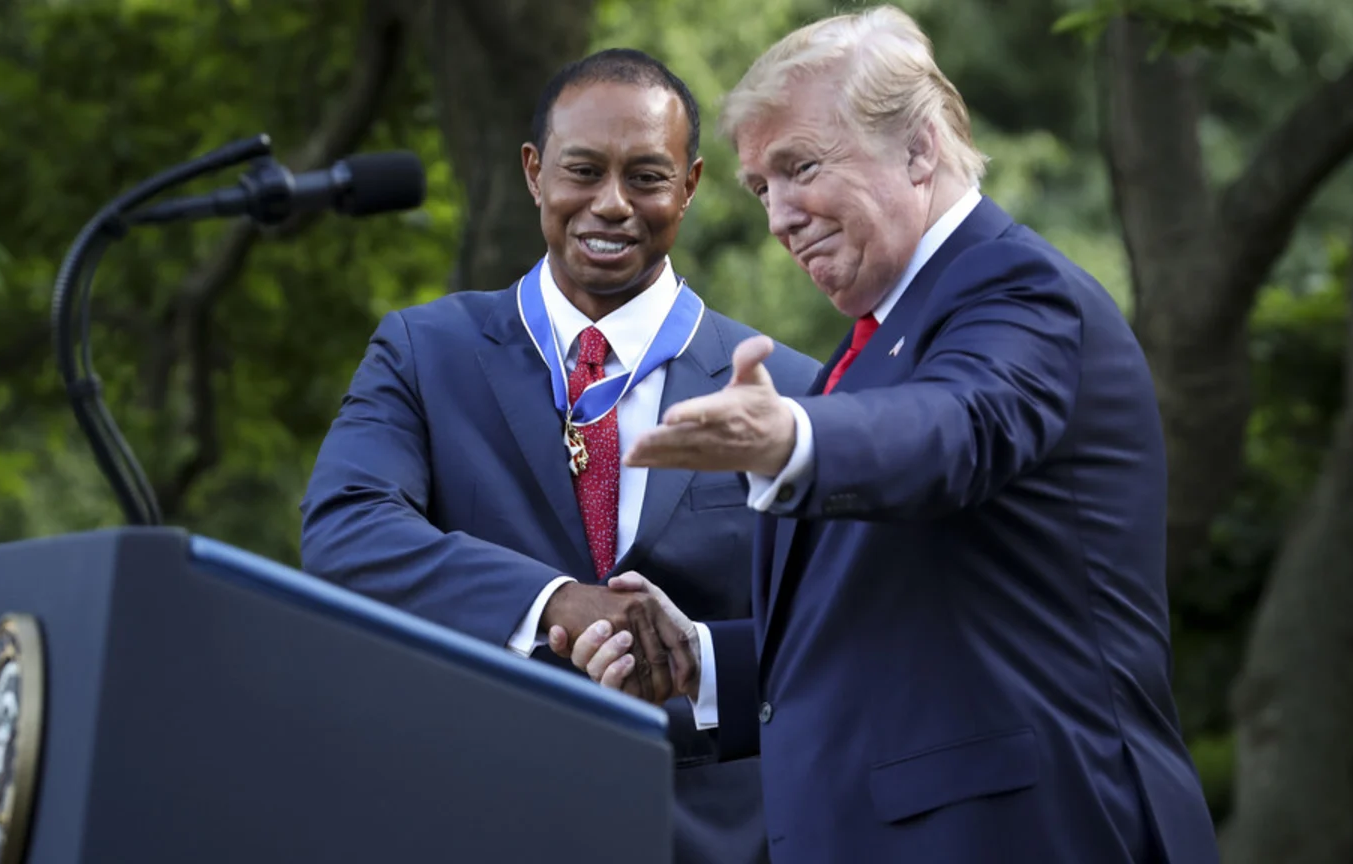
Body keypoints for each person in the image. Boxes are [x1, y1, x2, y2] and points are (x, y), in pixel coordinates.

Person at [557, 9, 1220, 864]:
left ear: (918, 149)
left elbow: (955, 428)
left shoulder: (1016, 289)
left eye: (800, 168)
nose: (780, 219)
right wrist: (703, 666)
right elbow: (895, 627)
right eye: (762, 188)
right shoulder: (875, 338)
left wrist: (791, 436)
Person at [299, 49, 819, 864]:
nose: (611, 205)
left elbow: (832, 626)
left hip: (719, 839)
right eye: (583, 171)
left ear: (689, 185)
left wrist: (697, 663)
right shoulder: (423, 351)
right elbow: (345, 531)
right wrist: (554, 602)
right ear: (536, 173)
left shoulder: (787, 390)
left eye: (646, 177)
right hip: (475, 819)